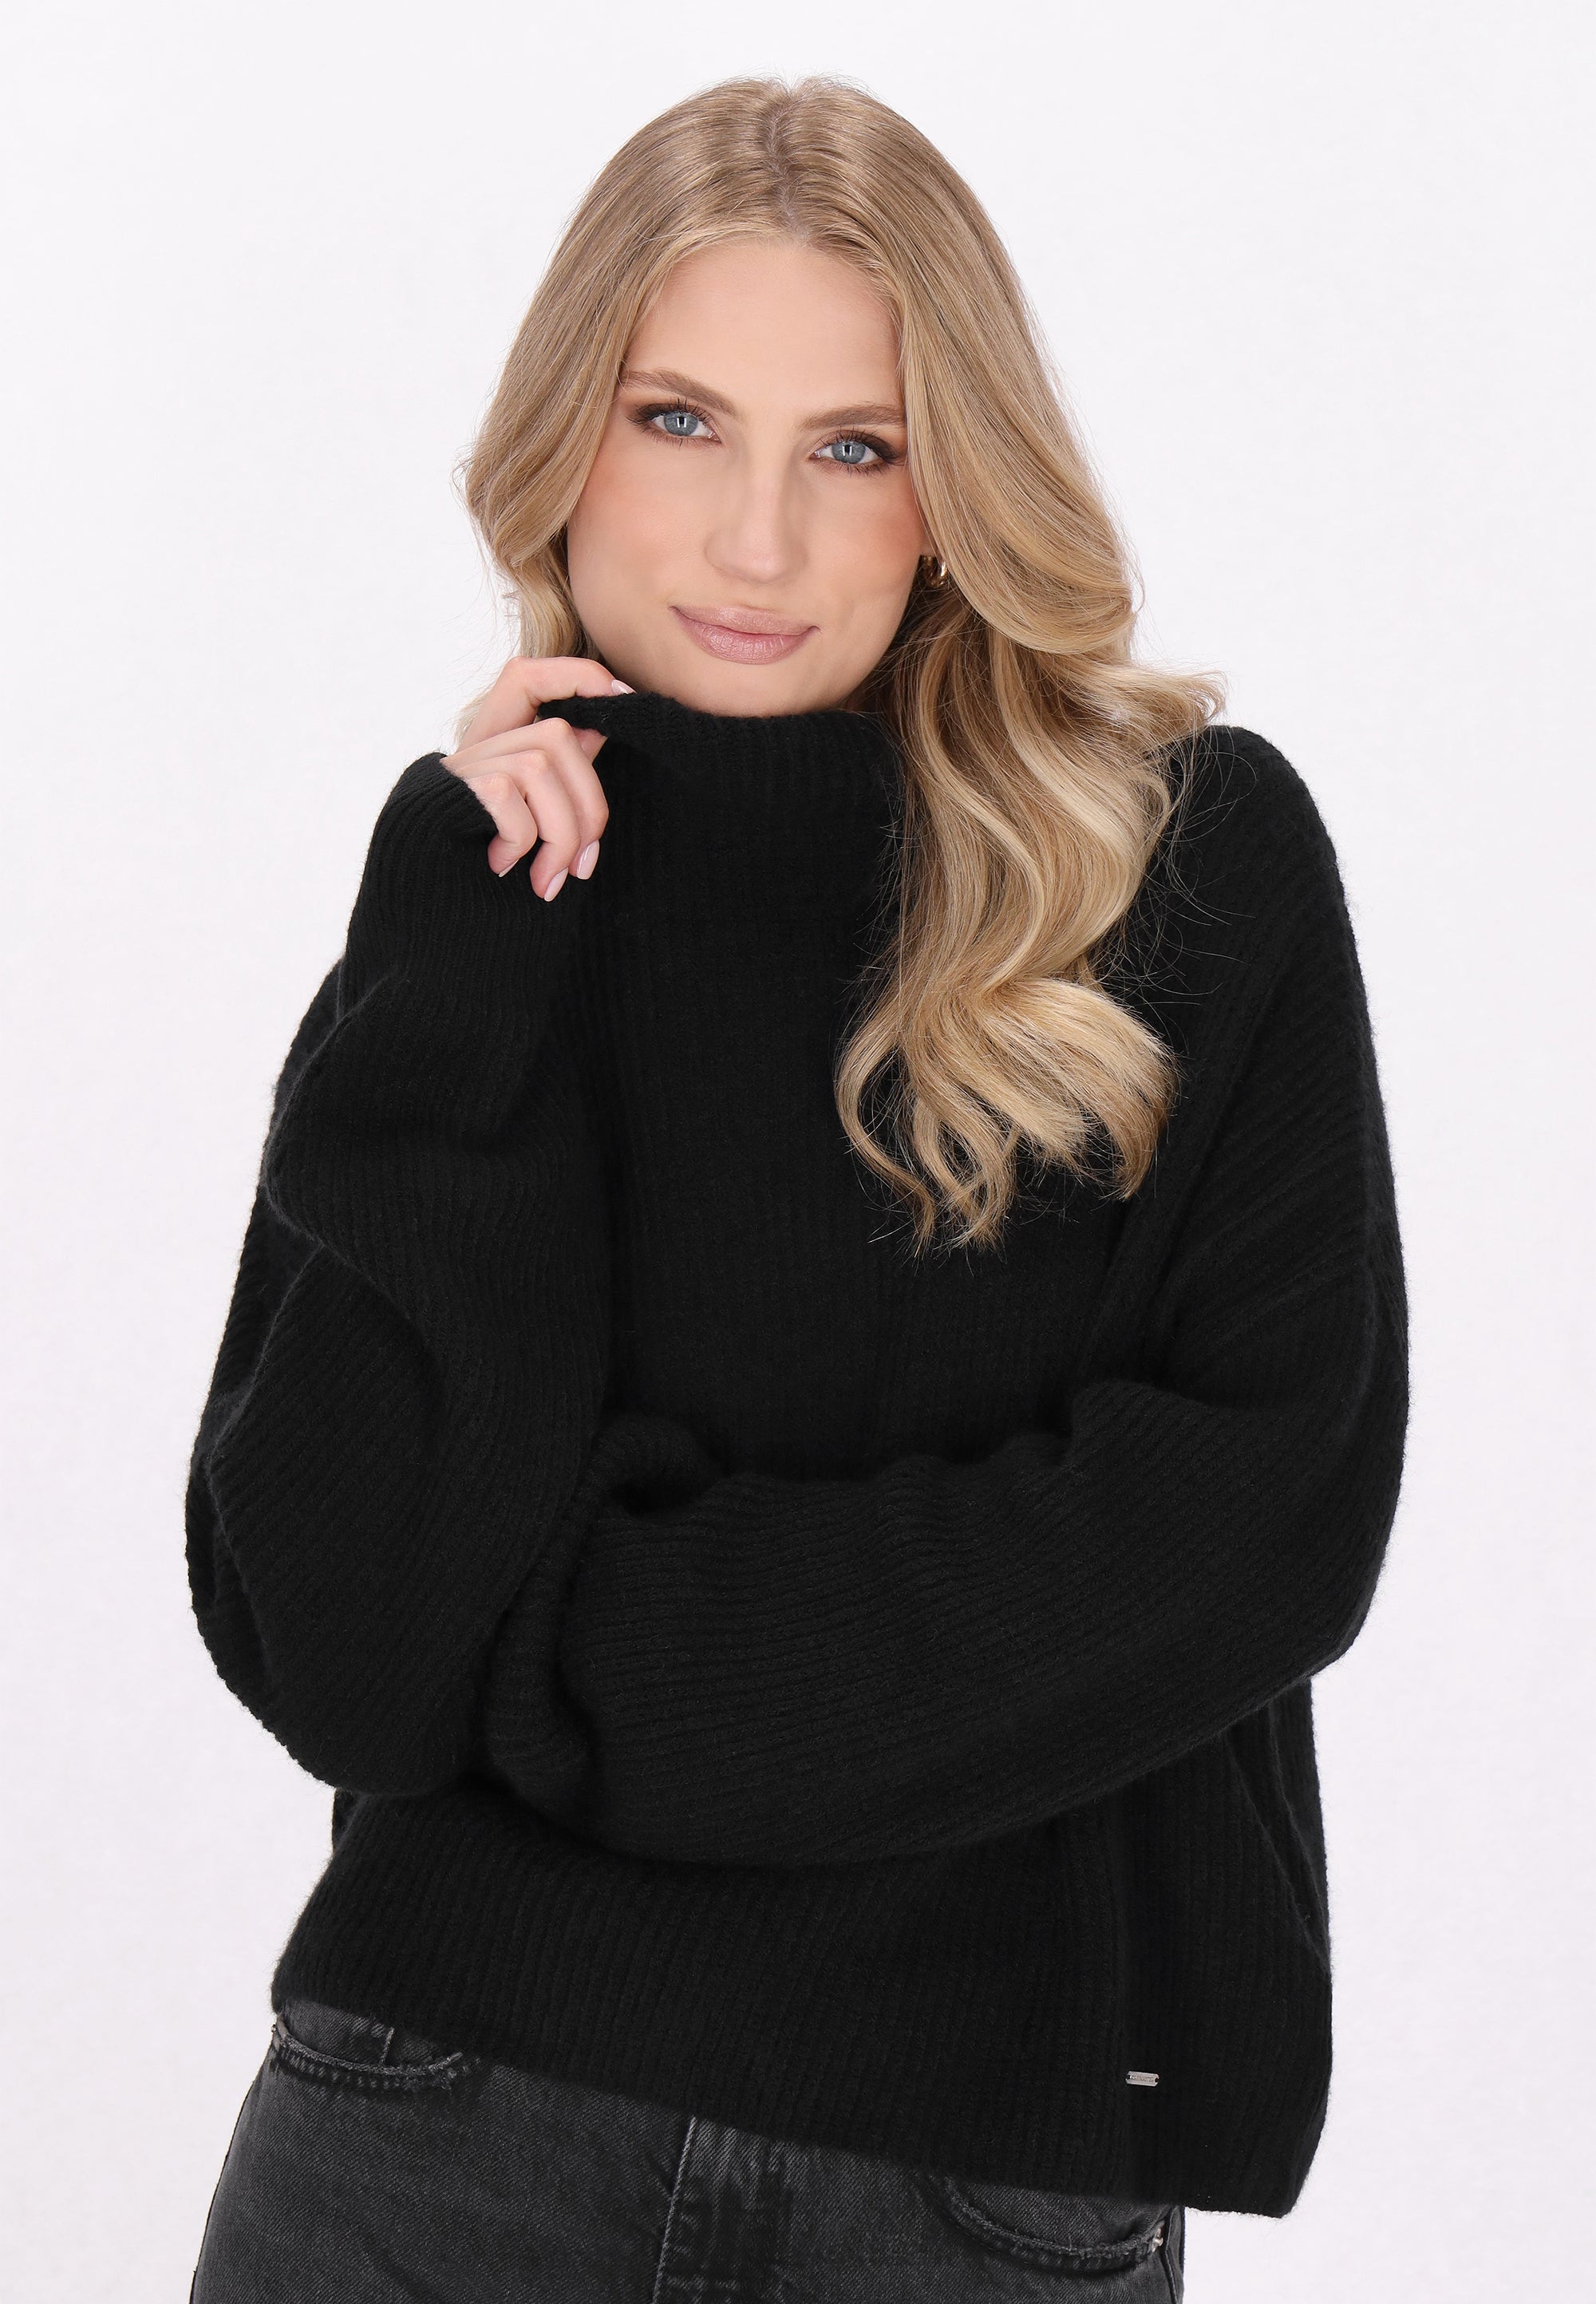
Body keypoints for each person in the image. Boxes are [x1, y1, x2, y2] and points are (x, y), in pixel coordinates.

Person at [184, 74, 1408, 2302]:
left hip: (978, 2194)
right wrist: (456, 936)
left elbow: (1257, 1522)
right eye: (678, 421)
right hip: (437, 2126)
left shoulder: (1185, 871)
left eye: (855, 447)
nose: (755, 541)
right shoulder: (488, 903)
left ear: (954, 493)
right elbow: (349, 1651)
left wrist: (572, 1671)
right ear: (562, 445)